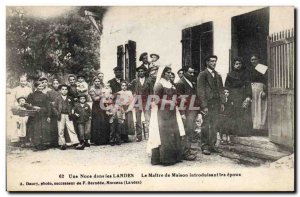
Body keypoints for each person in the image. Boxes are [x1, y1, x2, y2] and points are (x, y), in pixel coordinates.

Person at [147, 65, 185, 166]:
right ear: (163, 73)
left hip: (172, 112)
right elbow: (156, 100)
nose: (169, 74)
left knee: (174, 132)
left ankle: (175, 157)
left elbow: (175, 95)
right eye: (167, 72)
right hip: (162, 113)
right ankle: (165, 159)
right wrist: (169, 102)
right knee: (165, 134)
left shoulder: (171, 84)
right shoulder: (159, 85)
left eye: (170, 72)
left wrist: (179, 98)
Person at [196, 55, 224, 155]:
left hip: (216, 103)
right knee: (205, 125)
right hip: (207, 104)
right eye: (212, 61)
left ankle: (212, 145)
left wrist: (222, 103)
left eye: (215, 61)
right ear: (207, 62)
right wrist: (204, 106)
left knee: (214, 125)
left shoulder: (217, 75)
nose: (214, 63)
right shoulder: (202, 74)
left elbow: (221, 90)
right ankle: (204, 146)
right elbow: (200, 91)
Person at [176, 67, 200, 160]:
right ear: (185, 72)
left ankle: (187, 150)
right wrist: (182, 113)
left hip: (192, 110)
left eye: (193, 73)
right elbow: (180, 99)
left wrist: (197, 111)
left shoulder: (191, 83)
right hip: (186, 111)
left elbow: (195, 97)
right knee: (186, 131)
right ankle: (185, 153)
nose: (192, 75)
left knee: (190, 131)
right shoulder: (180, 83)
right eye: (190, 73)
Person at [224, 57, 252, 136]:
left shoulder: (245, 74)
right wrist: (227, 93)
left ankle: (242, 132)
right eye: (236, 64)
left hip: (242, 94)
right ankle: (233, 131)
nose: (238, 65)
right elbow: (227, 86)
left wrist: (248, 96)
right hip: (233, 94)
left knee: (243, 112)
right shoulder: (230, 75)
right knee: (233, 112)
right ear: (233, 65)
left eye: (240, 64)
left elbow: (248, 85)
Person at [129, 65, 152, 142]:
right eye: (139, 71)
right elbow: (129, 87)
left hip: (146, 101)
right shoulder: (135, 81)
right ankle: (139, 136)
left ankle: (149, 135)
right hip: (138, 101)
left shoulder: (149, 80)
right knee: (138, 119)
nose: (141, 73)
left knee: (148, 118)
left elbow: (151, 92)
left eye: (142, 71)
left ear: (144, 72)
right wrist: (133, 95)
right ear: (137, 73)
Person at [53, 84, 80, 150]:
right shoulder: (57, 98)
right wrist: (57, 113)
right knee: (61, 129)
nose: (64, 91)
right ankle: (62, 144)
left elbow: (73, 106)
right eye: (63, 89)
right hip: (61, 115)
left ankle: (75, 143)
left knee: (71, 128)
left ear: (67, 91)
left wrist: (72, 110)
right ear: (60, 90)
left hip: (68, 115)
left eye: (66, 89)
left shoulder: (70, 98)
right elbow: (54, 107)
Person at [26, 81, 51, 150]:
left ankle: (42, 144)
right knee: (35, 129)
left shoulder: (45, 95)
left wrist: (48, 115)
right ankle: (36, 144)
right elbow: (26, 104)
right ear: (36, 87)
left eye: (42, 86)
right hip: (34, 115)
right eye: (39, 86)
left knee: (42, 129)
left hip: (43, 115)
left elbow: (48, 106)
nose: (41, 87)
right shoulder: (31, 95)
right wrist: (33, 107)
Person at [248, 54, 268, 133]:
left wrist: (265, 91)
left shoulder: (262, 68)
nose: (253, 61)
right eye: (252, 60)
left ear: (258, 60)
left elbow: (267, 80)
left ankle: (262, 128)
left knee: (261, 107)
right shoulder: (250, 69)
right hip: (252, 89)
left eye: (255, 59)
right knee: (254, 107)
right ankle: (255, 128)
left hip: (261, 89)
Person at [89, 77, 110, 145]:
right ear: (93, 82)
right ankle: (97, 140)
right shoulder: (92, 89)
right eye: (96, 81)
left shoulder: (102, 88)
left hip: (103, 105)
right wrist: (102, 95)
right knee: (97, 122)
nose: (97, 82)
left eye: (98, 81)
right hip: (96, 107)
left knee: (104, 121)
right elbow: (95, 99)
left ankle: (105, 140)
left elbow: (107, 95)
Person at [47, 78, 61, 147]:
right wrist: (51, 103)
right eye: (54, 84)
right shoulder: (49, 92)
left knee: (60, 127)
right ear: (52, 85)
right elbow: (47, 102)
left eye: (57, 83)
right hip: (52, 111)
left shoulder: (61, 91)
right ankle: (53, 142)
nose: (56, 85)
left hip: (60, 111)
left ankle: (60, 142)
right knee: (53, 127)